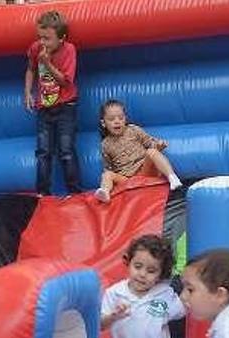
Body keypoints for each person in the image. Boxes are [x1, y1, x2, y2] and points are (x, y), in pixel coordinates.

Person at [24, 10, 83, 196]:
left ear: (62, 38)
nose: (42, 42)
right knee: (43, 152)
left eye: (47, 39)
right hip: (45, 108)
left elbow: (66, 82)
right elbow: (31, 70)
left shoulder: (69, 50)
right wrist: (27, 91)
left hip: (66, 106)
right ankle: (42, 193)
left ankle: (74, 192)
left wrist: (47, 63)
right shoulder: (36, 48)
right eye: (40, 37)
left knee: (66, 151)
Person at [95, 99, 183, 202]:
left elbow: (149, 142)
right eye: (111, 119)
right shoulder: (105, 144)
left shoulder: (133, 130)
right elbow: (108, 167)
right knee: (107, 174)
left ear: (125, 119)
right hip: (126, 180)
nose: (117, 121)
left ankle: (172, 177)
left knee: (151, 152)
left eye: (121, 118)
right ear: (103, 123)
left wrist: (158, 145)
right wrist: (109, 180)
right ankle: (105, 192)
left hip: (144, 171)